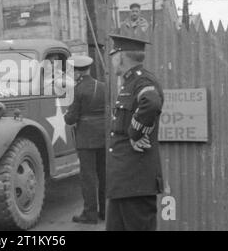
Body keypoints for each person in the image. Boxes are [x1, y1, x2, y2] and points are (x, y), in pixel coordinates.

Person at [106, 34, 164, 231]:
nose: (112, 61)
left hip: (136, 182)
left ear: (121, 56)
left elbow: (152, 103)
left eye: (113, 56)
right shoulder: (129, 83)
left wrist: (135, 134)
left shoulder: (142, 81)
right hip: (123, 183)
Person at [64, 55, 106, 224]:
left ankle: (90, 214)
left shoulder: (76, 90)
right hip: (103, 136)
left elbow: (71, 119)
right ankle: (104, 211)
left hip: (86, 139)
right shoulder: (102, 86)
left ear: (77, 72)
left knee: (87, 178)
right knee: (103, 175)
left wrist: (67, 115)